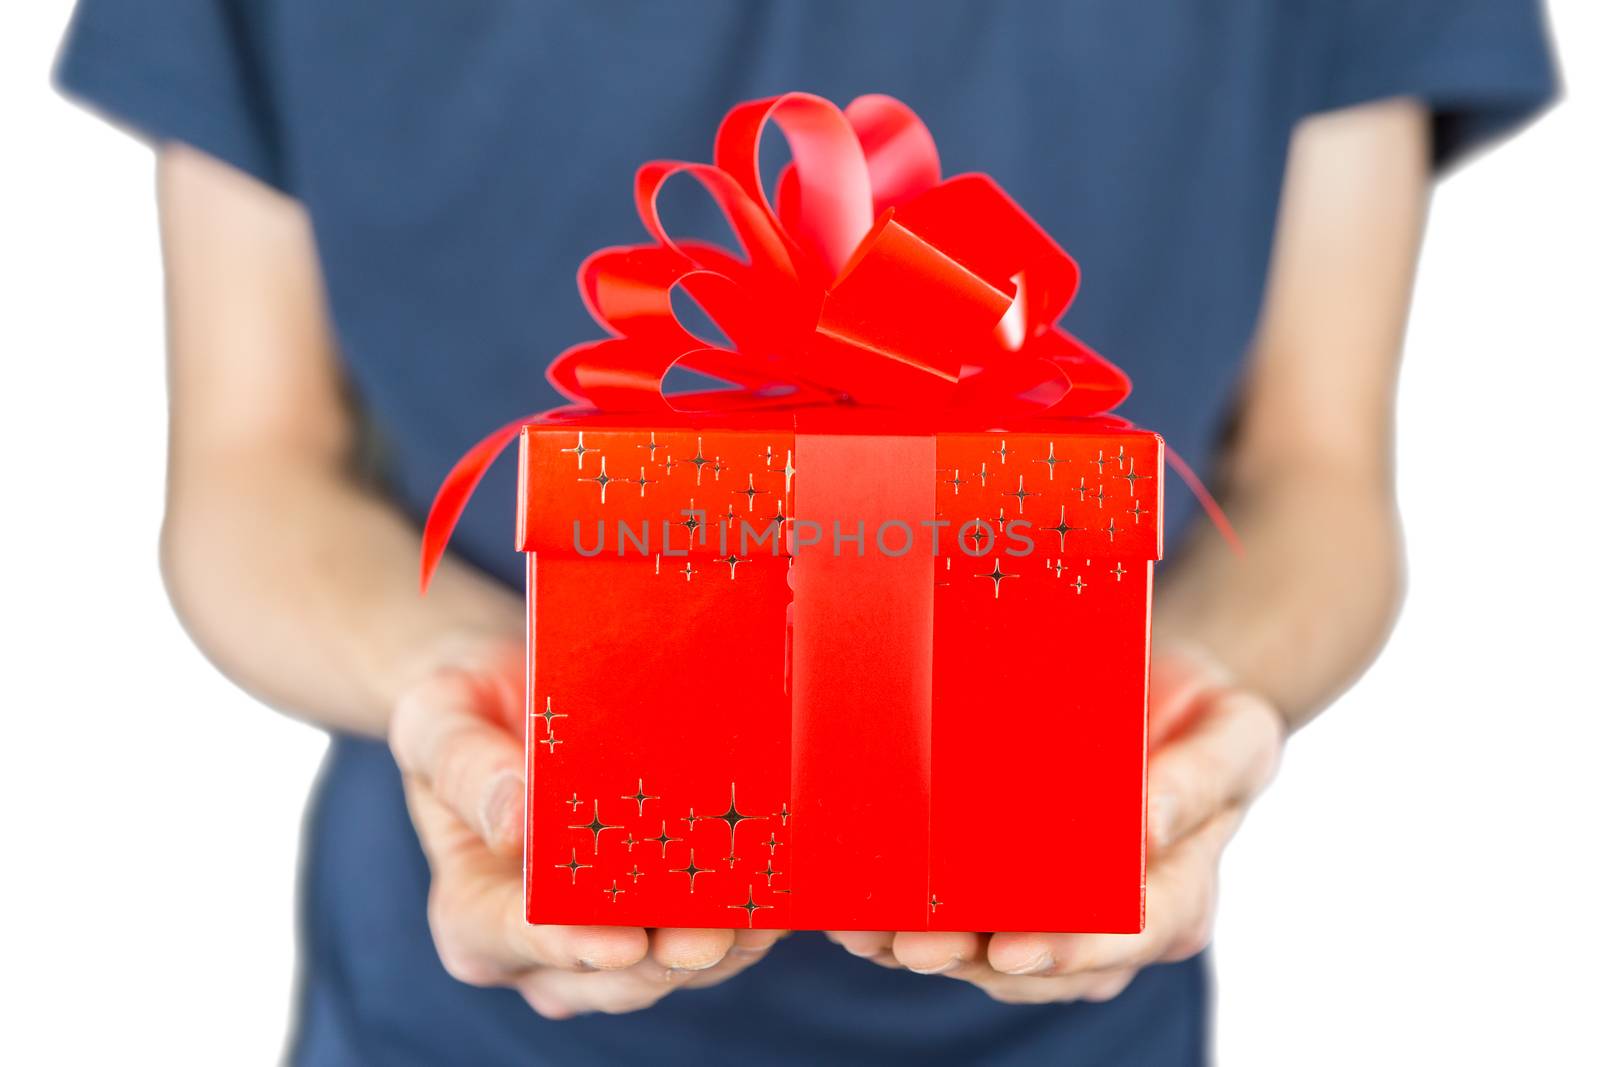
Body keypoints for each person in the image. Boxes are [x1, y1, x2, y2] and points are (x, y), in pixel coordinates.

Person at [56, 2, 1556, 1063]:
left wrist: (1172, 694)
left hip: (1081, 1025)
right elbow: (249, 471)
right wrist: (478, 693)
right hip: (453, 1024)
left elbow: (1318, 476)